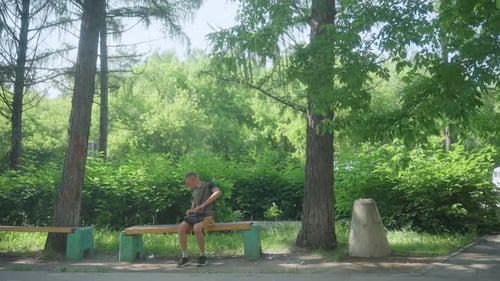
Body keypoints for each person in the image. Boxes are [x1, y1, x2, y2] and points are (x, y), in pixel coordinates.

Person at [177, 172, 222, 267]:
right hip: (196, 216)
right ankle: (185, 257)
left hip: (208, 216)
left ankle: (203, 256)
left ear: (193, 179)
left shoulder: (209, 185)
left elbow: (218, 192)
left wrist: (203, 205)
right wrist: (191, 210)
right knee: (181, 227)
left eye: (188, 183)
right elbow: (194, 206)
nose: (187, 185)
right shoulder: (194, 191)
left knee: (197, 227)